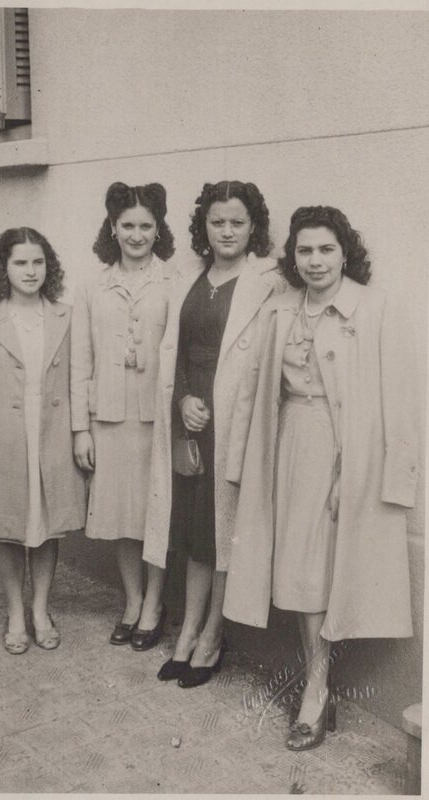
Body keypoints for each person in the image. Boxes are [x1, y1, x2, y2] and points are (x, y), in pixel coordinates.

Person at [224, 206, 418, 749]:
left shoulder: (377, 309)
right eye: (305, 250)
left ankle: (316, 689)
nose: (315, 261)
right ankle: (317, 682)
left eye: (326, 249)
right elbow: (252, 393)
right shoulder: (279, 310)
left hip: (350, 456)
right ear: (294, 256)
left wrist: (387, 480)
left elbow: (401, 402)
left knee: (327, 572)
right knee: (301, 575)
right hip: (289, 449)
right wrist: (241, 466)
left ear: (344, 253)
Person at [142, 180, 286, 687]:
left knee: (224, 529)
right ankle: (188, 630)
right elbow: (177, 350)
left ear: (253, 227)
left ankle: (212, 634)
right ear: (203, 225)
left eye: (237, 223)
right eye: (217, 222)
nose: (227, 231)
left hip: (235, 421)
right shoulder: (187, 276)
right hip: (190, 417)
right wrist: (183, 398)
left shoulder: (269, 281)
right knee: (192, 529)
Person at [0, 227, 86, 654]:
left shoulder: (67, 316)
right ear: (3, 267)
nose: (30, 271)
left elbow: (79, 379)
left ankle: (40, 610)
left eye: (38, 262)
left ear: (49, 266)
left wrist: (79, 432)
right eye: (20, 263)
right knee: (10, 530)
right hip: (4, 442)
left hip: (51, 435)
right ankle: (15, 613)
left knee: (47, 528)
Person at [71, 182, 175, 650]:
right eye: (127, 225)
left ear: (158, 229)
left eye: (145, 226)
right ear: (112, 228)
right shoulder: (92, 286)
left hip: (157, 417)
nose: (136, 235)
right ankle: (132, 601)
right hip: (109, 418)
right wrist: (81, 428)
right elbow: (81, 360)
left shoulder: (174, 282)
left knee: (154, 512)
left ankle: (154, 602)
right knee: (120, 515)